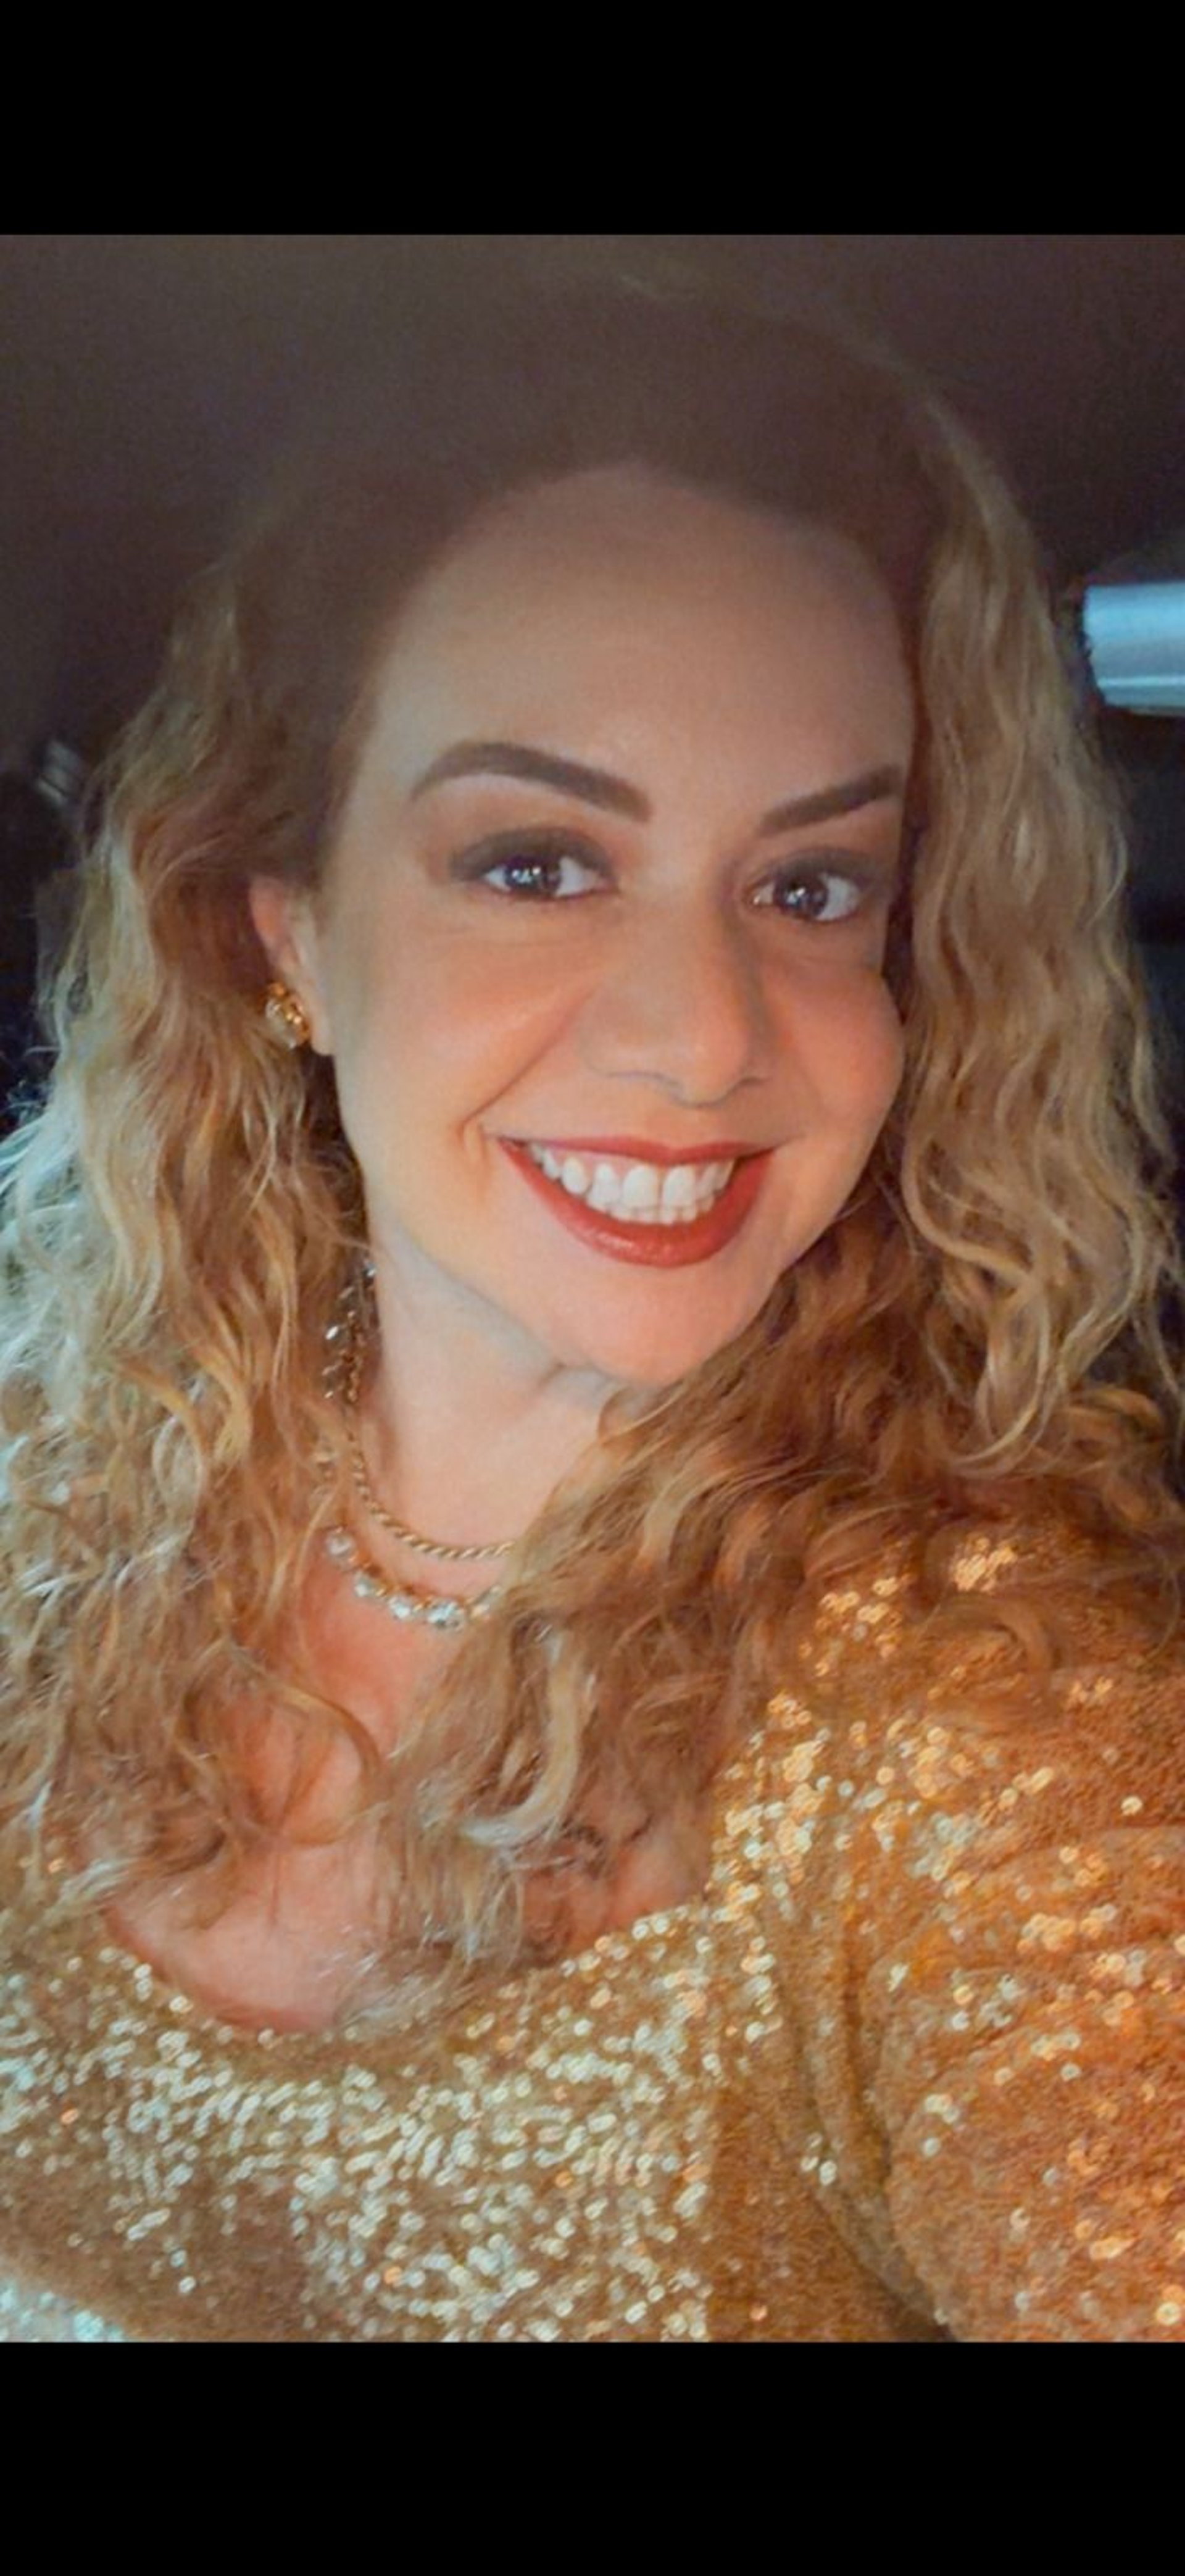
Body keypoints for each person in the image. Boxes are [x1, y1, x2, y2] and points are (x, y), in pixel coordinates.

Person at [1, 273, 1183, 2345]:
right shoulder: (43, 1463)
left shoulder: (993, 1709)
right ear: (288, 935)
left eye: (809, 888)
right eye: (538, 862)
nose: (706, 1039)